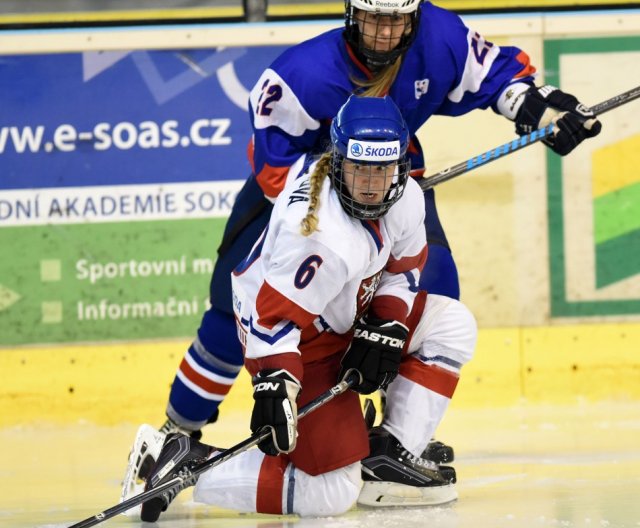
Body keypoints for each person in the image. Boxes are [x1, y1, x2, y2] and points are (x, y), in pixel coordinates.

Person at [121, 0, 601, 506]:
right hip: (296, 203)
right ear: (351, 13)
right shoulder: (303, 76)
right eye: (373, 17)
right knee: (230, 317)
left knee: (434, 290)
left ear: (415, 17)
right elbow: (273, 167)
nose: (384, 32)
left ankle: (390, 444)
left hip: (393, 186)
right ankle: (178, 432)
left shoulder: (438, 37)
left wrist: (538, 107)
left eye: (397, 19)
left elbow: (494, 74)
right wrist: (344, 212)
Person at [137, 95, 477, 522]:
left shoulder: (405, 197)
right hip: (300, 336)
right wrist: (278, 382)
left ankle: (386, 457)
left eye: (383, 169)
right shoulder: (319, 237)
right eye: (360, 169)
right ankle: (189, 463)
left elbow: (404, 268)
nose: (372, 184)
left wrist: (386, 321)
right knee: (331, 493)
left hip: (347, 310)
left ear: (400, 167)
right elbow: (272, 320)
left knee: (453, 325)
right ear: (338, 162)